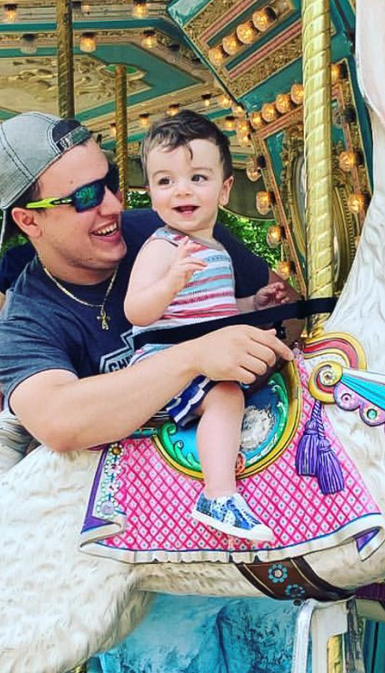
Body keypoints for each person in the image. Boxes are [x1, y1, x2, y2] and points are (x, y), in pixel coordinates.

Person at [0, 111, 295, 455]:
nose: (114, 205)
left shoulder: (176, 228)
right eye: (86, 197)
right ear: (29, 220)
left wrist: (261, 315)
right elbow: (60, 421)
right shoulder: (22, 325)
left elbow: (291, 311)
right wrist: (194, 356)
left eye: (111, 182)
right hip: (128, 495)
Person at [126, 111, 287, 541]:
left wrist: (251, 303)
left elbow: (212, 311)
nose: (181, 190)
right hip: (167, 365)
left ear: (225, 188)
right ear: (150, 194)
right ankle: (218, 496)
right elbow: (137, 310)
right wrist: (170, 280)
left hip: (202, 355)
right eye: (165, 181)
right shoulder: (163, 247)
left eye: (197, 177)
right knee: (226, 395)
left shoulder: (214, 247)